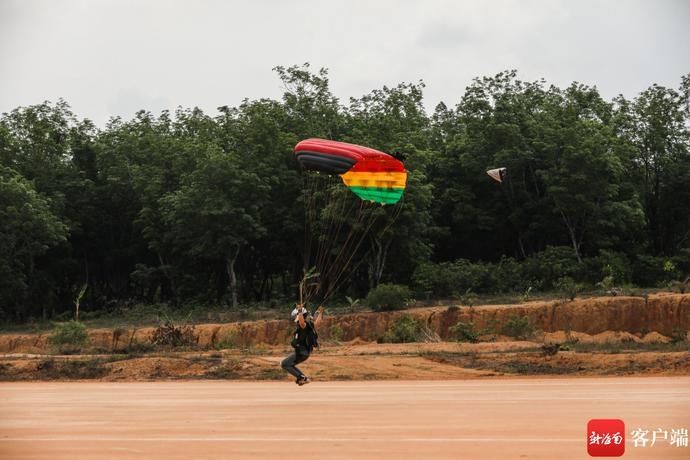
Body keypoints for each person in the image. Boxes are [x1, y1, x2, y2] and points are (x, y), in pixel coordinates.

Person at [280, 303, 324, 385]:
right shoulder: (310, 325)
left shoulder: (304, 326)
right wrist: (320, 313)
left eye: (295, 315)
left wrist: (299, 311)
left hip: (301, 352)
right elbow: (317, 323)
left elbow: (301, 323)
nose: (294, 318)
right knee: (289, 364)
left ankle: (302, 377)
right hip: (304, 353)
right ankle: (302, 377)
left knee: (284, 363)